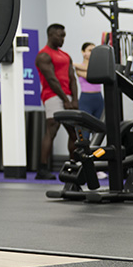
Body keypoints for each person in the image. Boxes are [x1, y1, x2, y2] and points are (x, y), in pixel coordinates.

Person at [34, 23, 79, 180]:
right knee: (51, 131)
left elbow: (72, 78)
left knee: (74, 133)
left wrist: (75, 99)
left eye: (64, 36)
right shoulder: (43, 55)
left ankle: (73, 166)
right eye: (60, 35)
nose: (63, 38)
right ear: (51, 35)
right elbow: (51, 79)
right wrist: (65, 100)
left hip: (67, 97)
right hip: (52, 96)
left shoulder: (66, 56)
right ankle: (42, 169)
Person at [73, 42, 106, 127]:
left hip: (98, 99)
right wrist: (76, 65)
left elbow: (96, 75)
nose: (93, 53)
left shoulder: (97, 67)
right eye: (90, 50)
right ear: (83, 52)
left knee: (99, 128)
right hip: (86, 99)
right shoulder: (78, 67)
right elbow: (90, 76)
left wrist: (74, 64)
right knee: (85, 129)